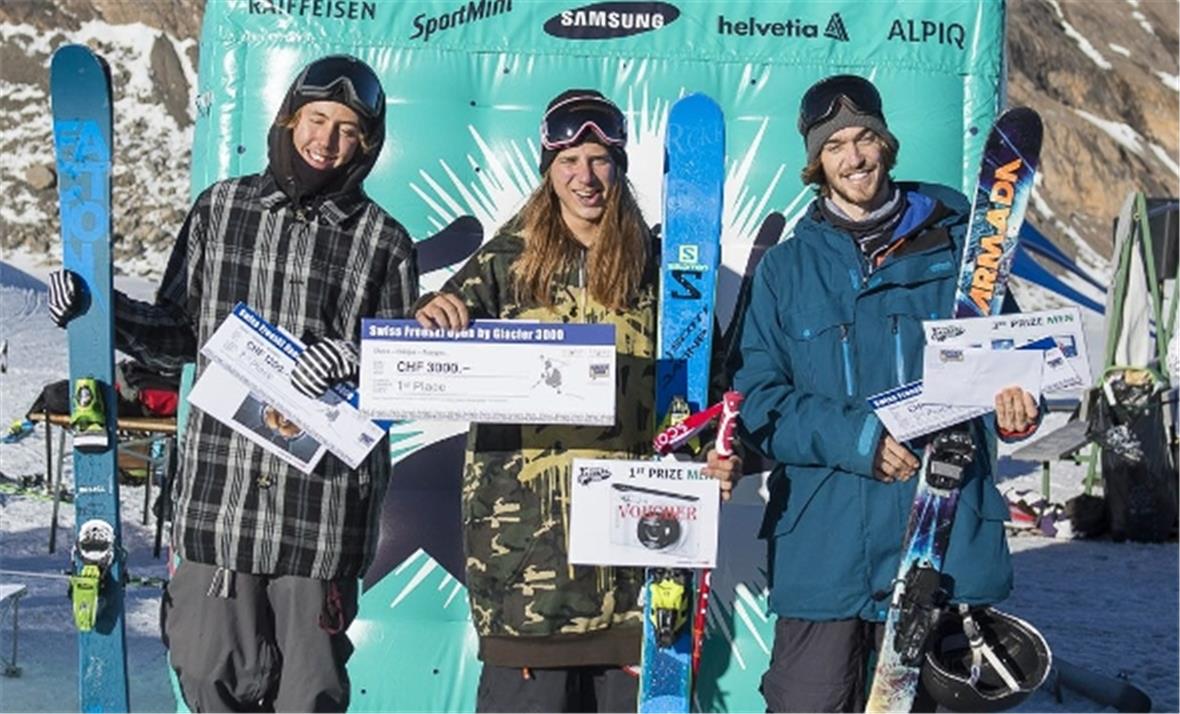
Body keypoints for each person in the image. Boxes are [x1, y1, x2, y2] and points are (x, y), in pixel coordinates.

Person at [48, 55, 418, 712]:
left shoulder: (383, 241)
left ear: (368, 143)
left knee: (310, 694)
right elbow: (177, 331)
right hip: (222, 504)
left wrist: (353, 358)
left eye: (347, 129)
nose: (326, 140)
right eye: (317, 119)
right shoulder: (221, 208)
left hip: (322, 513)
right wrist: (96, 310)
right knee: (204, 673)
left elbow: (404, 375)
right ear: (289, 120)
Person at [723, 75, 1041, 712]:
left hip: (941, 536)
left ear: (886, 144)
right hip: (824, 544)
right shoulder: (786, 270)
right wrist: (860, 438)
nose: (854, 157)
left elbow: (1013, 364)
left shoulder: (963, 247)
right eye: (835, 145)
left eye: (865, 137)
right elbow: (757, 400)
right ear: (817, 162)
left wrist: (1017, 405)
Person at [415, 89, 737, 712]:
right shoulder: (506, 263)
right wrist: (433, 314)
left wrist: (717, 453)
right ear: (548, 169)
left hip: (633, 565)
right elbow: (428, 350)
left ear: (618, 166)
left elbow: (702, 391)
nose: (585, 178)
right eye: (568, 162)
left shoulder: (663, 268)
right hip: (523, 567)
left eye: (598, 160)